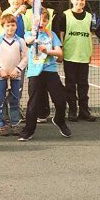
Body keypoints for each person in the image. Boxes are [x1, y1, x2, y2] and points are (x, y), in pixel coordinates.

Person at [19, 9, 71, 141]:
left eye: (44, 20)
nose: (41, 22)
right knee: (33, 103)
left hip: (50, 71)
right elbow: (29, 41)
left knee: (60, 99)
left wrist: (47, 51)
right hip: (35, 73)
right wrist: (34, 35)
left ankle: (60, 120)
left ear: (48, 21)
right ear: (33, 21)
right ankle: (28, 130)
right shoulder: (28, 34)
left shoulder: (52, 35)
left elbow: (59, 53)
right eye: (38, 20)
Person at [53, 0, 96, 122]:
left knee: (83, 84)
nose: (80, 2)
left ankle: (84, 110)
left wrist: (90, 52)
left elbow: (90, 35)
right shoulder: (65, 15)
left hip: (83, 55)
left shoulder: (89, 16)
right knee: (70, 84)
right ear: (72, 0)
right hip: (70, 55)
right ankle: (72, 111)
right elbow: (61, 34)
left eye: (82, 0)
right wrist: (61, 52)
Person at [0, 14, 28, 136]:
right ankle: (2, 125)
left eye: (12, 25)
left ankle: (15, 124)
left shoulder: (20, 41)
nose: (10, 28)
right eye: (7, 25)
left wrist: (17, 69)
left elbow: (25, 58)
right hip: (1, 76)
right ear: (3, 26)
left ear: (16, 26)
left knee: (14, 100)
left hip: (15, 77)